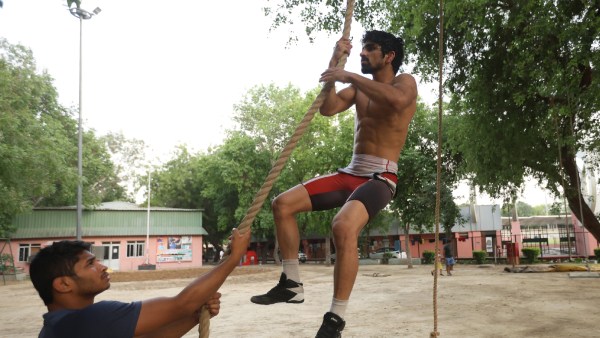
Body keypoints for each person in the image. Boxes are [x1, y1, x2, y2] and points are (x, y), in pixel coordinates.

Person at [250, 30, 417, 337]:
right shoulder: (358, 90)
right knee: (282, 205)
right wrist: (334, 62)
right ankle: (291, 284)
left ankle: (334, 321)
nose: (363, 53)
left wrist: (348, 73)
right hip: (351, 172)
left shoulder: (403, 82)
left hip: (381, 177)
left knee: (342, 226)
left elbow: (397, 101)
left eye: (370, 49)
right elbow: (328, 108)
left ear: (389, 56)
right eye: (362, 49)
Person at [30, 228, 250, 338]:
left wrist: (196, 316)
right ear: (63, 284)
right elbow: (181, 304)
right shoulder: (91, 319)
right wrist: (233, 258)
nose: (103, 266)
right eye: (90, 264)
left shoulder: (58, 328)